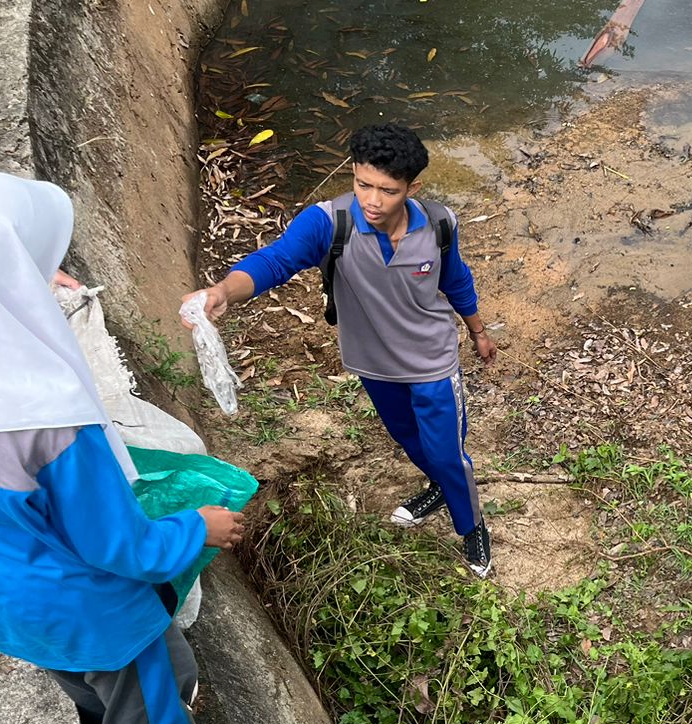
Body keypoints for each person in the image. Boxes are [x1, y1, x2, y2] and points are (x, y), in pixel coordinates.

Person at [0, 172, 275, 724]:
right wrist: (198, 528)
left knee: (93, 678)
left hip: (8, 602)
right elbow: (118, 546)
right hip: (84, 601)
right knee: (144, 687)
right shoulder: (47, 415)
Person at [183, 123, 500, 577]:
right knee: (408, 438)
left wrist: (477, 331)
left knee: (448, 451)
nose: (372, 201)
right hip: (373, 363)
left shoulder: (439, 225)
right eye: (362, 184)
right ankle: (438, 485)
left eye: (387, 191)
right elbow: (275, 260)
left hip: (433, 362)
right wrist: (223, 292)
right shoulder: (331, 224)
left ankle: (471, 527)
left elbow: (456, 281)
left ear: (413, 188)